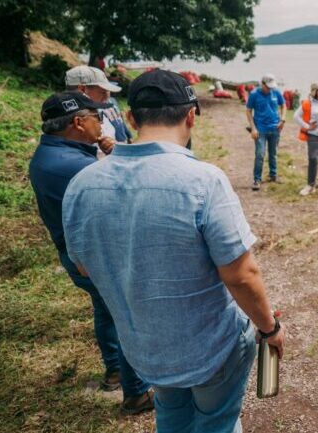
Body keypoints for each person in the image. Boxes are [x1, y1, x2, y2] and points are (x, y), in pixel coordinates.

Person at [62, 70, 286, 433]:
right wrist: (269, 328)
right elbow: (242, 275)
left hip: (145, 349)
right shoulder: (203, 181)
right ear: (191, 116)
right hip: (212, 349)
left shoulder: (81, 185)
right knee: (216, 421)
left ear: (131, 118)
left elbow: (85, 267)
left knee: (171, 414)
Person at [28, 91, 153, 414]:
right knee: (126, 316)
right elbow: (130, 191)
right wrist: (116, 156)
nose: (103, 123)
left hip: (79, 254)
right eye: (97, 117)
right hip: (95, 258)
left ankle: (115, 371)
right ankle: (137, 393)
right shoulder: (73, 165)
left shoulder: (54, 154)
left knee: (106, 311)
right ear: (78, 122)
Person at [66, 65, 133, 148]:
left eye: (108, 92)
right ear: (82, 89)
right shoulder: (70, 123)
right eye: (103, 92)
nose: (107, 97)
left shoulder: (101, 110)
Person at [247, 73, 286, 191]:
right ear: (262, 84)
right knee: (260, 154)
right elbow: (248, 111)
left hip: (275, 128)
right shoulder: (254, 94)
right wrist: (253, 128)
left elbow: (283, 105)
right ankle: (257, 180)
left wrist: (283, 120)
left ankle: (273, 175)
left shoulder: (276, 92)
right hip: (260, 129)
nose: (270, 89)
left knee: (273, 153)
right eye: (268, 87)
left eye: (271, 87)